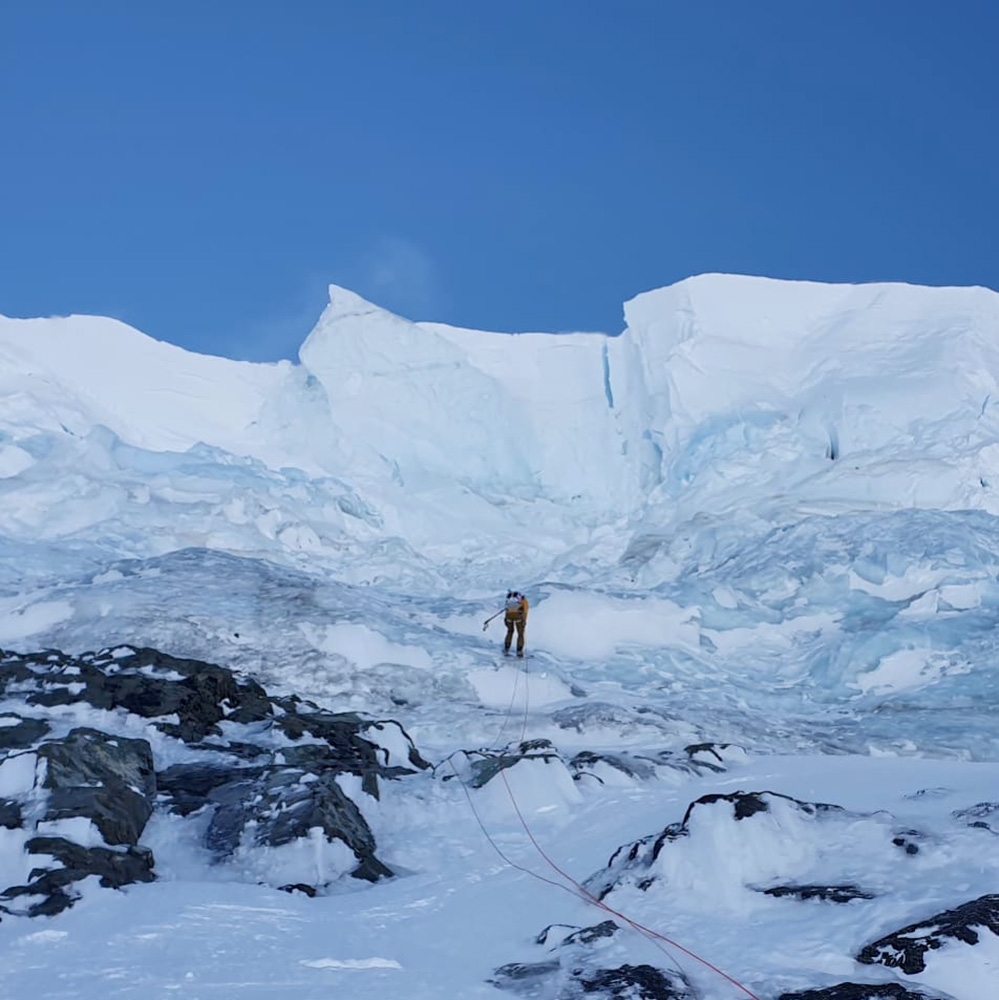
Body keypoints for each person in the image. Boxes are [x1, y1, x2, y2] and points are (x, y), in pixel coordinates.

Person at [503, 590, 529, 657]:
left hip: (508, 616)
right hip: (518, 616)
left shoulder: (509, 599)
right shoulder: (524, 601)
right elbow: (525, 611)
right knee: (520, 633)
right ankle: (519, 651)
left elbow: (507, 610)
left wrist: (505, 619)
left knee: (510, 631)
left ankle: (506, 648)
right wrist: (524, 621)